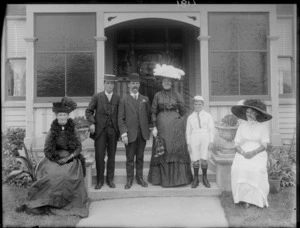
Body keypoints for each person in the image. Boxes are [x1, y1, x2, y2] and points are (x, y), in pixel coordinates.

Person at [16, 97, 90, 217]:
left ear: (67, 116)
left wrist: (68, 158)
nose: (62, 117)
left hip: (70, 158)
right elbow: (47, 149)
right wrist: (56, 159)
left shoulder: (74, 130)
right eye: (60, 114)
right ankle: (47, 201)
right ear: (56, 116)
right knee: (51, 175)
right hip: (54, 158)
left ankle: (66, 203)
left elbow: (78, 148)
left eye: (64, 115)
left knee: (67, 175)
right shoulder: (52, 131)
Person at [147, 64, 193, 187]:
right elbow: (153, 111)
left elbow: (183, 111)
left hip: (176, 127)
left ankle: (178, 179)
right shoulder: (157, 95)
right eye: (164, 81)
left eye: (168, 81)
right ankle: (162, 179)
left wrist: (179, 121)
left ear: (171, 82)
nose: (166, 83)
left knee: (175, 148)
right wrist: (154, 126)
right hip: (161, 125)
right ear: (161, 82)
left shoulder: (177, 94)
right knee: (163, 149)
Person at [231, 99, 273, 209]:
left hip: (258, 152)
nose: (248, 114)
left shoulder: (262, 127)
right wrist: (244, 153)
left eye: (251, 112)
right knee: (241, 169)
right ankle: (244, 199)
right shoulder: (242, 127)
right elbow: (236, 144)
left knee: (255, 170)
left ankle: (257, 199)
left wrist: (253, 153)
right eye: (247, 112)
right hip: (243, 152)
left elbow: (265, 145)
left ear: (256, 113)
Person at [86, 74, 120, 189]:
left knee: (112, 156)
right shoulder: (97, 97)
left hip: (113, 130)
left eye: (111, 83)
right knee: (99, 156)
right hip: (100, 131)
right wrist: (91, 123)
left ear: (114, 85)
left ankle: (110, 180)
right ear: (104, 84)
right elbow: (89, 111)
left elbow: (121, 115)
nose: (109, 85)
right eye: (107, 83)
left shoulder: (118, 97)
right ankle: (100, 181)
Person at [118, 72, 152, 189]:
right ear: (128, 85)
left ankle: (140, 178)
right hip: (130, 134)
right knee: (129, 158)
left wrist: (148, 129)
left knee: (140, 158)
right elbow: (120, 118)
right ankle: (129, 180)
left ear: (139, 85)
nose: (135, 85)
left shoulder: (145, 99)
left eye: (137, 83)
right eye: (132, 83)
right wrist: (123, 133)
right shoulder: (124, 100)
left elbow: (147, 115)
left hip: (142, 134)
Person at [186, 95, 215, 188]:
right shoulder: (190, 117)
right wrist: (188, 143)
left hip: (205, 136)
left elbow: (211, 129)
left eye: (199, 104)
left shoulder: (208, 116)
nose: (198, 106)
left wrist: (211, 141)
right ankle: (196, 179)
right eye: (196, 104)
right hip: (194, 136)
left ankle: (205, 178)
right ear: (193, 105)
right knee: (195, 158)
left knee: (204, 158)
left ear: (202, 105)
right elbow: (188, 131)